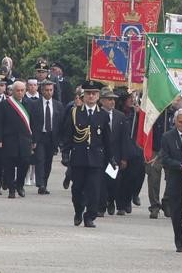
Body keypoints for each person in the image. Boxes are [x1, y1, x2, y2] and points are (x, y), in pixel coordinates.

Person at [61, 80, 114, 228]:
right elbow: (68, 135)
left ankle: (90, 216)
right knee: (77, 190)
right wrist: (65, 153)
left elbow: (107, 140)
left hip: (96, 160)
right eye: (88, 93)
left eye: (94, 93)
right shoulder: (75, 113)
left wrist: (111, 158)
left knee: (94, 191)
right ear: (83, 96)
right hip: (79, 158)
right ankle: (78, 211)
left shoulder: (103, 115)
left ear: (98, 96)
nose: (91, 96)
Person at [158, 108, 182, 252]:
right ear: (175, 121)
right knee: (176, 210)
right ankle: (179, 241)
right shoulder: (167, 136)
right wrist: (179, 165)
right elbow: (165, 159)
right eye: (180, 122)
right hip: (175, 175)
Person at [0, 81, 38, 199]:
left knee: (24, 163)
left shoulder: (30, 104)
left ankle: (19, 185)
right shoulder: (5, 104)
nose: (20, 93)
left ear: (25, 91)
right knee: (9, 165)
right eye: (17, 90)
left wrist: (34, 140)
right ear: (12, 91)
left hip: (25, 140)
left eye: (22, 90)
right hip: (9, 139)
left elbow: (34, 123)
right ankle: (11, 189)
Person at [114, 91, 144, 216]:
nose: (132, 100)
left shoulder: (136, 113)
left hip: (134, 150)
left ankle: (128, 199)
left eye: (133, 98)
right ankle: (118, 203)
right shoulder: (118, 113)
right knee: (118, 179)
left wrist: (139, 114)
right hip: (119, 149)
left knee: (133, 177)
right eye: (130, 98)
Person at [32, 80, 64, 195]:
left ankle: (44, 183)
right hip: (40, 136)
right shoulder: (35, 104)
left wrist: (60, 141)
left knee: (48, 162)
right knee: (40, 159)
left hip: (52, 137)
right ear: (42, 90)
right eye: (46, 90)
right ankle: (40, 183)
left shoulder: (58, 105)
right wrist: (33, 139)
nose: (49, 92)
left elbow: (60, 124)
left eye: (51, 90)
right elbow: (32, 123)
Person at [98, 89, 126, 216]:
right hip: (100, 155)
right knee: (101, 182)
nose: (112, 102)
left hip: (115, 155)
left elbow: (124, 138)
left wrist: (124, 158)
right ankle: (101, 207)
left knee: (113, 181)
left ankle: (111, 200)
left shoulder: (120, 116)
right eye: (109, 99)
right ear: (102, 101)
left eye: (113, 99)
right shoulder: (97, 114)